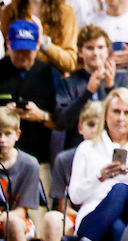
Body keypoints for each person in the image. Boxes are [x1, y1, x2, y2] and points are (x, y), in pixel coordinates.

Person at [68, 87, 128, 241]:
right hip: (96, 213)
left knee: (120, 189)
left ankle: (86, 238)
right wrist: (100, 177)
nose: (121, 118)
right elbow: (75, 196)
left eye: (127, 113)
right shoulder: (87, 148)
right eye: (116, 111)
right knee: (115, 227)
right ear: (106, 115)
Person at [55, 24, 128, 148]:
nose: (96, 53)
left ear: (108, 51)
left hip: (114, 146)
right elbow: (62, 121)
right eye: (90, 48)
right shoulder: (68, 82)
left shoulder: (121, 82)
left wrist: (110, 89)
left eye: (100, 47)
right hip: (77, 147)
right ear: (80, 52)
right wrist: (88, 92)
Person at [43, 100, 105, 241]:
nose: (95, 130)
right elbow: (63, 207)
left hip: (104, 215)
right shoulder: (64, 159)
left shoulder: (110, 158)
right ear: (80, 127)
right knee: (52, 218)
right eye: (90, 125)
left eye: (100, 126)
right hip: (74, 216)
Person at [0, 20, 58, 164]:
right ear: (8, 44)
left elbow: (63, 119)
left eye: (27, 51)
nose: (22, 56)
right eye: (18, 50)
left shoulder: (49, 73)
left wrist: (41, 115)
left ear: (37, 45)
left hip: (39, 156)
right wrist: (4, 113)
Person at [0, 106, 43, 241]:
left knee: (12, 223)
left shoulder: (29, 164)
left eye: (7, 134)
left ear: (17, 135)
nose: (2, 140)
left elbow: (22, 211)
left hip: (17, 220)